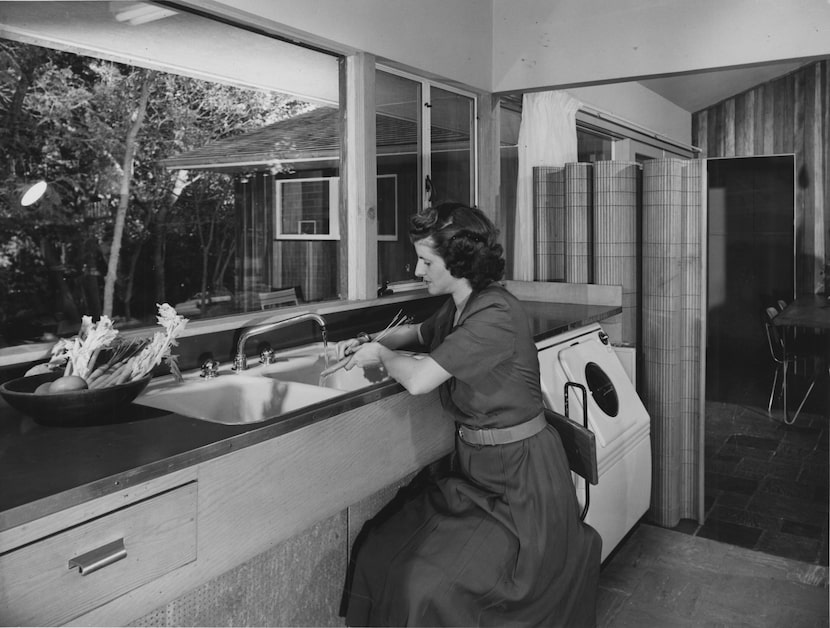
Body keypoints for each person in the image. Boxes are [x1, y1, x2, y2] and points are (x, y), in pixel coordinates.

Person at [338, 202, 602, 627]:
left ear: (457, 263)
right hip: (476, 475)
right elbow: (421, 333)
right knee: (382, 545)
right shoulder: (462, 304)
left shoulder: (494, 313)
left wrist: (382, 354)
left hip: (522, 488)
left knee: (424, 583)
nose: (418, 270)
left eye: (426, 261)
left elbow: (422, 380)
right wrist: (372, 338)